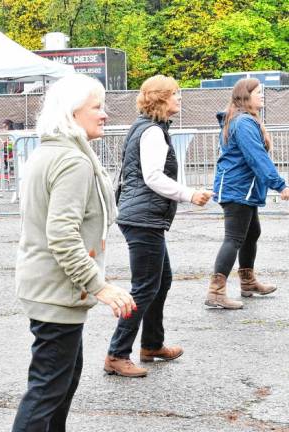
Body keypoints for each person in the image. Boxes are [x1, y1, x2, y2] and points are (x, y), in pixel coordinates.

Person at [12, 74, 136, 431]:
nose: (105, 114)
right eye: (97, 107)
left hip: (49, 289)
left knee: (59, 386)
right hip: (56, 292)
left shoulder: (50, 151)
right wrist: (100, 286)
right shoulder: (72, 161)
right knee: (48, 391)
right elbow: (62, 236)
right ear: (72, 112)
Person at [104, 75, 212, 378]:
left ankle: (151, 345)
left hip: (140, 217)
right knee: (145, 287)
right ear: (160, 98)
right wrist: (190, 194)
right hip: (142, 219)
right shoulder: (152, 131)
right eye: (175, 94)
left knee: (160, 281)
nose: (180, 98)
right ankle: (116, 354)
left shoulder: (147, 127)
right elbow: (153, 177)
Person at [206, 78, 289, 309]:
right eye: (258, 92)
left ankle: (248, 281)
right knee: (234, 238)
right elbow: (256, 157)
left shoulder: (244, 120)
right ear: (245, 96)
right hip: (237, 189)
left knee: (252, 233)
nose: (263, 95)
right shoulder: (243, 123)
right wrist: (280, 185)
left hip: (243, 188)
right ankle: (216, 291)